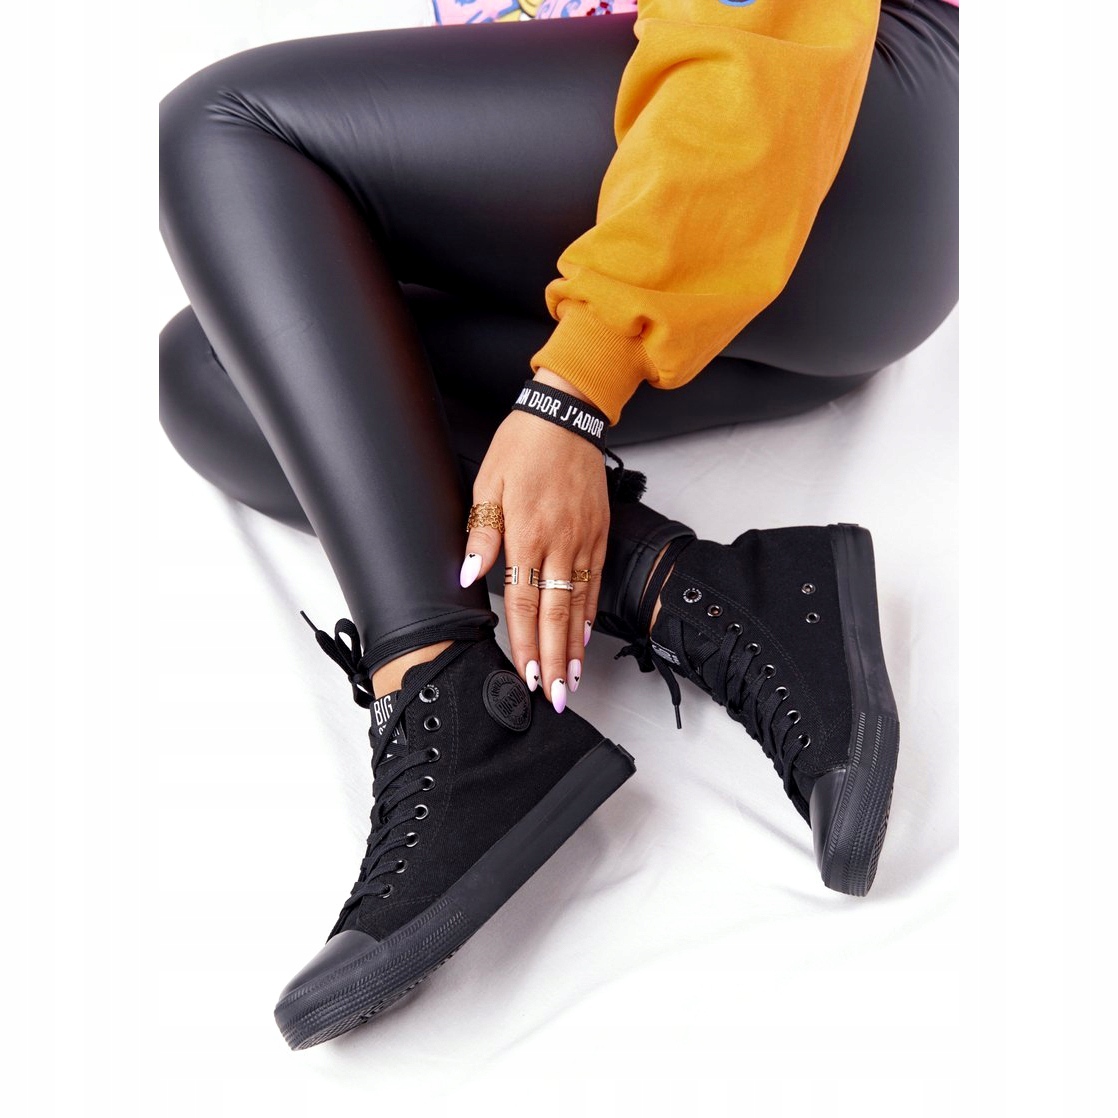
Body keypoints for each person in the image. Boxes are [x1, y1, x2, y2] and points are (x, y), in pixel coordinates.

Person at [158, 0, 959, 1049]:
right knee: (221, 368)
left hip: (830, 124)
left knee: (222, 126)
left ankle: (434, 688)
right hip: (754, 282)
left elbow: (759, 32)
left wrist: (571, 392)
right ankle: (707, 597)